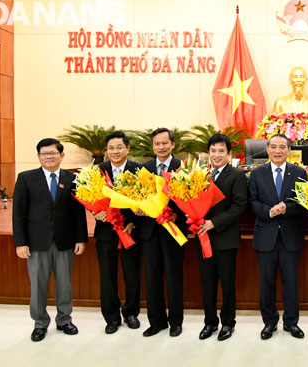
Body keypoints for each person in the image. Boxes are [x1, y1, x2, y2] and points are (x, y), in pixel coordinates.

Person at [12, 138, 87, 342]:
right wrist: (20, 242)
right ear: (38, 156)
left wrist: (81, 238)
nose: (49, 157)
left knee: (65, 283)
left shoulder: (72, 178)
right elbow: (18, 213)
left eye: (53, 153)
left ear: (61, 155)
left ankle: (64, 320)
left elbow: (78, 212)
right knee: (38, 285)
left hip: (65, 240)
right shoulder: (26, 178)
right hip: (36, 242)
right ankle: (40, 323)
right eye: (44, 153)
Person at [248, 134, 308, 339]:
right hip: (266, 236)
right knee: (267, 283)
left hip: (291, 236)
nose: (277, 151)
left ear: (289, 150)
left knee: (291, 282)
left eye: (282, 147)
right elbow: (252, 202)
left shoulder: (300, 173)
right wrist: (269, 212)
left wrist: (286, 209)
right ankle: (269, 322)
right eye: (273, 146)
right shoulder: (257, 174)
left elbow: (304, 203)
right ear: (267, 149)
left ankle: (291, 323)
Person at [135, 128, 187, 337]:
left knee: (174, 277)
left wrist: (178, 215)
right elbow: (136, 196)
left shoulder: (183, 167)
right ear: (153, 146)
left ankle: (176, 322)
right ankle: (156, 322)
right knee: (152, 277)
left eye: (165, 143)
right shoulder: (144, 169)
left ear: (173, 144)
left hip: (173, 230)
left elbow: (192, 198)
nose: (161, 147)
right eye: (157, 144)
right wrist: (137, 208)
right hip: (149, 231)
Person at [196, 134, 247, 342]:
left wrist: (213, 222)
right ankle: (209, 322)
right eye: (213, 151)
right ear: (208, 153)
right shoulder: (199, 174)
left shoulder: (236, 175)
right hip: (203, 237)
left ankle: (228, 323)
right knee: (207, 283)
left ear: (229, 154)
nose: (216, 155)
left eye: (221, 151)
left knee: (227, 283)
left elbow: (239, 206)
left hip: (225, 238)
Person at [92, 131, 142, 334]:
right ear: (106, 151)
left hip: (130, 232)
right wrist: (95, 212)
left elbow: (144, 201)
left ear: (127, 149)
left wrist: (133, 222)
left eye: (119, 147)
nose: (115, 151)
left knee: (132, 275)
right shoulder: (98, 171)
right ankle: (111, 318)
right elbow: (89, 197)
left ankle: (131, 313)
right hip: (106, 233)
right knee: (107, 277)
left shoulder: (138, 171)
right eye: (111, 148)